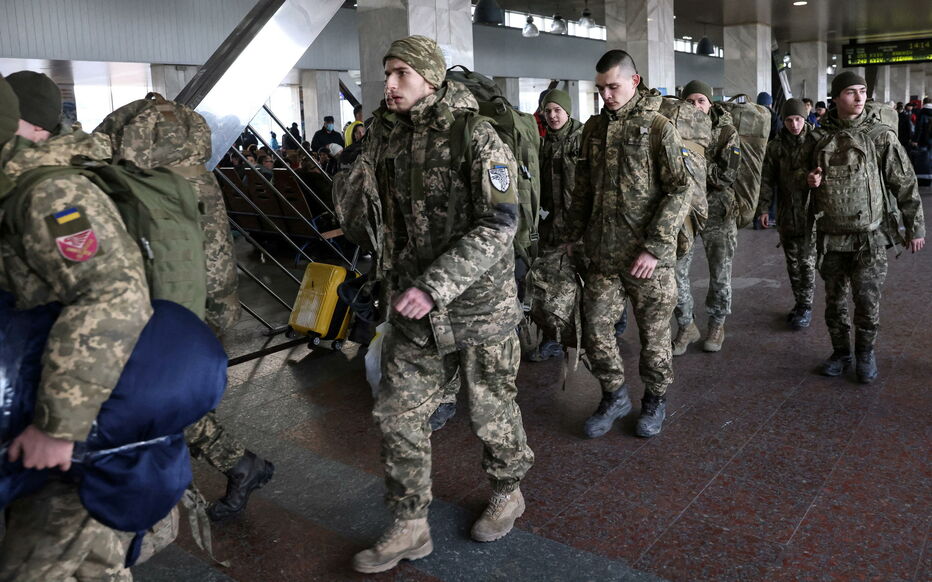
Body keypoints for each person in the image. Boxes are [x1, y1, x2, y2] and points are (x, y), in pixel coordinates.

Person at [333, 35, 534, 573]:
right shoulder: (384, 138)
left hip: (478, 307)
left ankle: (508, 490)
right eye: (387, 73)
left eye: (401, 73)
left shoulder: (477, 136)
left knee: (492, 412)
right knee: (397, 411)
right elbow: (369, 219)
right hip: (410, 307)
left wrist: (436, 285)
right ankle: (409, 522)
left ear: (431, 77)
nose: (390, 84)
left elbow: (500, 223)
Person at [0, 71, 143, 581]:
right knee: (96, 564)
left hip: (69, 422)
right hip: (43, 410)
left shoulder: (51, 194)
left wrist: (58, 427)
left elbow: (114, 293)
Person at [564, 50, 691, 438]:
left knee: (654, 340)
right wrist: (573, 235)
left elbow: (679, 188)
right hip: (603, 255)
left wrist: (654, 247)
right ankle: (615, 394)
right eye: (600, 88)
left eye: (613, 87)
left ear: (634, 81)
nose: (606, 95)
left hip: (648, 259)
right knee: (595, 332)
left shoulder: (658, 127)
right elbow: (583, 190)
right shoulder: (592, 130)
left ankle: (654, 400)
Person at [806, 71, 925, 383]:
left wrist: (916, 228)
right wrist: (807, 181)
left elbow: (905, 184)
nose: (859, 98)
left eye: (862, 91)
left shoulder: (880, 135)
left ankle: (865, 355)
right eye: (850, 92)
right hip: (831, 236)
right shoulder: (817, 137)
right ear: (835, 98)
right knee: (834, 303)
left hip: (869, 237)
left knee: (867, 302)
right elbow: (794, 180)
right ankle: (841, 352)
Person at [672, 80, 741, 355]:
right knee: (676, 271)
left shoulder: (725, 132)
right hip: (685, 210)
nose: (695, 106)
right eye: (689, 101)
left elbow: (726, 176)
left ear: (710, 104)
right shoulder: (675, 128)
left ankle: (717, 323)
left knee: (720, 272)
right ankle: (686, 324)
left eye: (701, 100)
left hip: (718, 211)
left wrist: (693, 166)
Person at [528, 88, 584, 361]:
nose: (552, 115)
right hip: (552, 226)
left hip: (582, 226)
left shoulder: (584, 138)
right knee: (549, 285)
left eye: (557, 110)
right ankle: (553, 337)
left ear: (567, 111)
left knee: (592, 281)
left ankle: (610, 324)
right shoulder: (541, 143)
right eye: (547, 111)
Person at [757, 98, 817, 330]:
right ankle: (800, 302)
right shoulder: (776, 146)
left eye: (798, 119)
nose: (794, 124)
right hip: (785, 214)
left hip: (809, 214)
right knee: (792, 263)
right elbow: (767, 180)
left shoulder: (816, 142)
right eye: (790, 120)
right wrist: (764, 208)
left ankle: (806, 305)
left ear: (805, 118)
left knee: (806, 262)